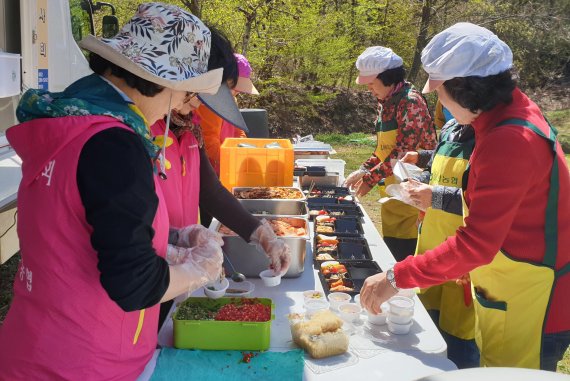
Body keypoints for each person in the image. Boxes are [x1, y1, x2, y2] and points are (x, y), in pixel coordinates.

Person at [0, 4, 228, 379]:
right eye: (186, 93)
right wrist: (200, 269)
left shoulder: (72, 120)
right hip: (80, 363)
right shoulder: (114, 144)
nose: (186, 105)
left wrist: (174, 238)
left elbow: (84, 223)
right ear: (161, 80)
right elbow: (133, 284)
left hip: (41, 344)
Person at [360, 23, 570, 370]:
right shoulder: (507, 114)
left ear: (466, 90)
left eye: (440, 92)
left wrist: (396, 276)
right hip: (510, 286)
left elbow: (476, 243)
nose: (437, 101)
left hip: (534, 299)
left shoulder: (510, 139)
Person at [150, 28, 291, 325]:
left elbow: (209, 190)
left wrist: (260, 233)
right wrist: (176, 246)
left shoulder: (188, 127)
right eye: (198, 94)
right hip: (150, 269)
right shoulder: (142, 131)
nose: (199, 104)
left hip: (176, 263)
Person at [344, 46, 437, 261]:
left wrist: (370, 178)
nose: (369, 88)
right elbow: (384, 150)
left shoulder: (410, 102)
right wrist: (363, 169)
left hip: (413, 191)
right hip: (392, 190)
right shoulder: (386, 103)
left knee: (406, 254)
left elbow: (401, 153)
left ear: (387, 77)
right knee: (391, 250)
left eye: (371, 83)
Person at [400, 119, 479, 368]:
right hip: (431, 241)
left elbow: (481, 200)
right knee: (427, 327)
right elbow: (433, 169)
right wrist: (416, 184)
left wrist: (435, 195)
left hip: (464, 254)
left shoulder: (493, 135)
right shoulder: (451, 127)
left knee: (458, 335)